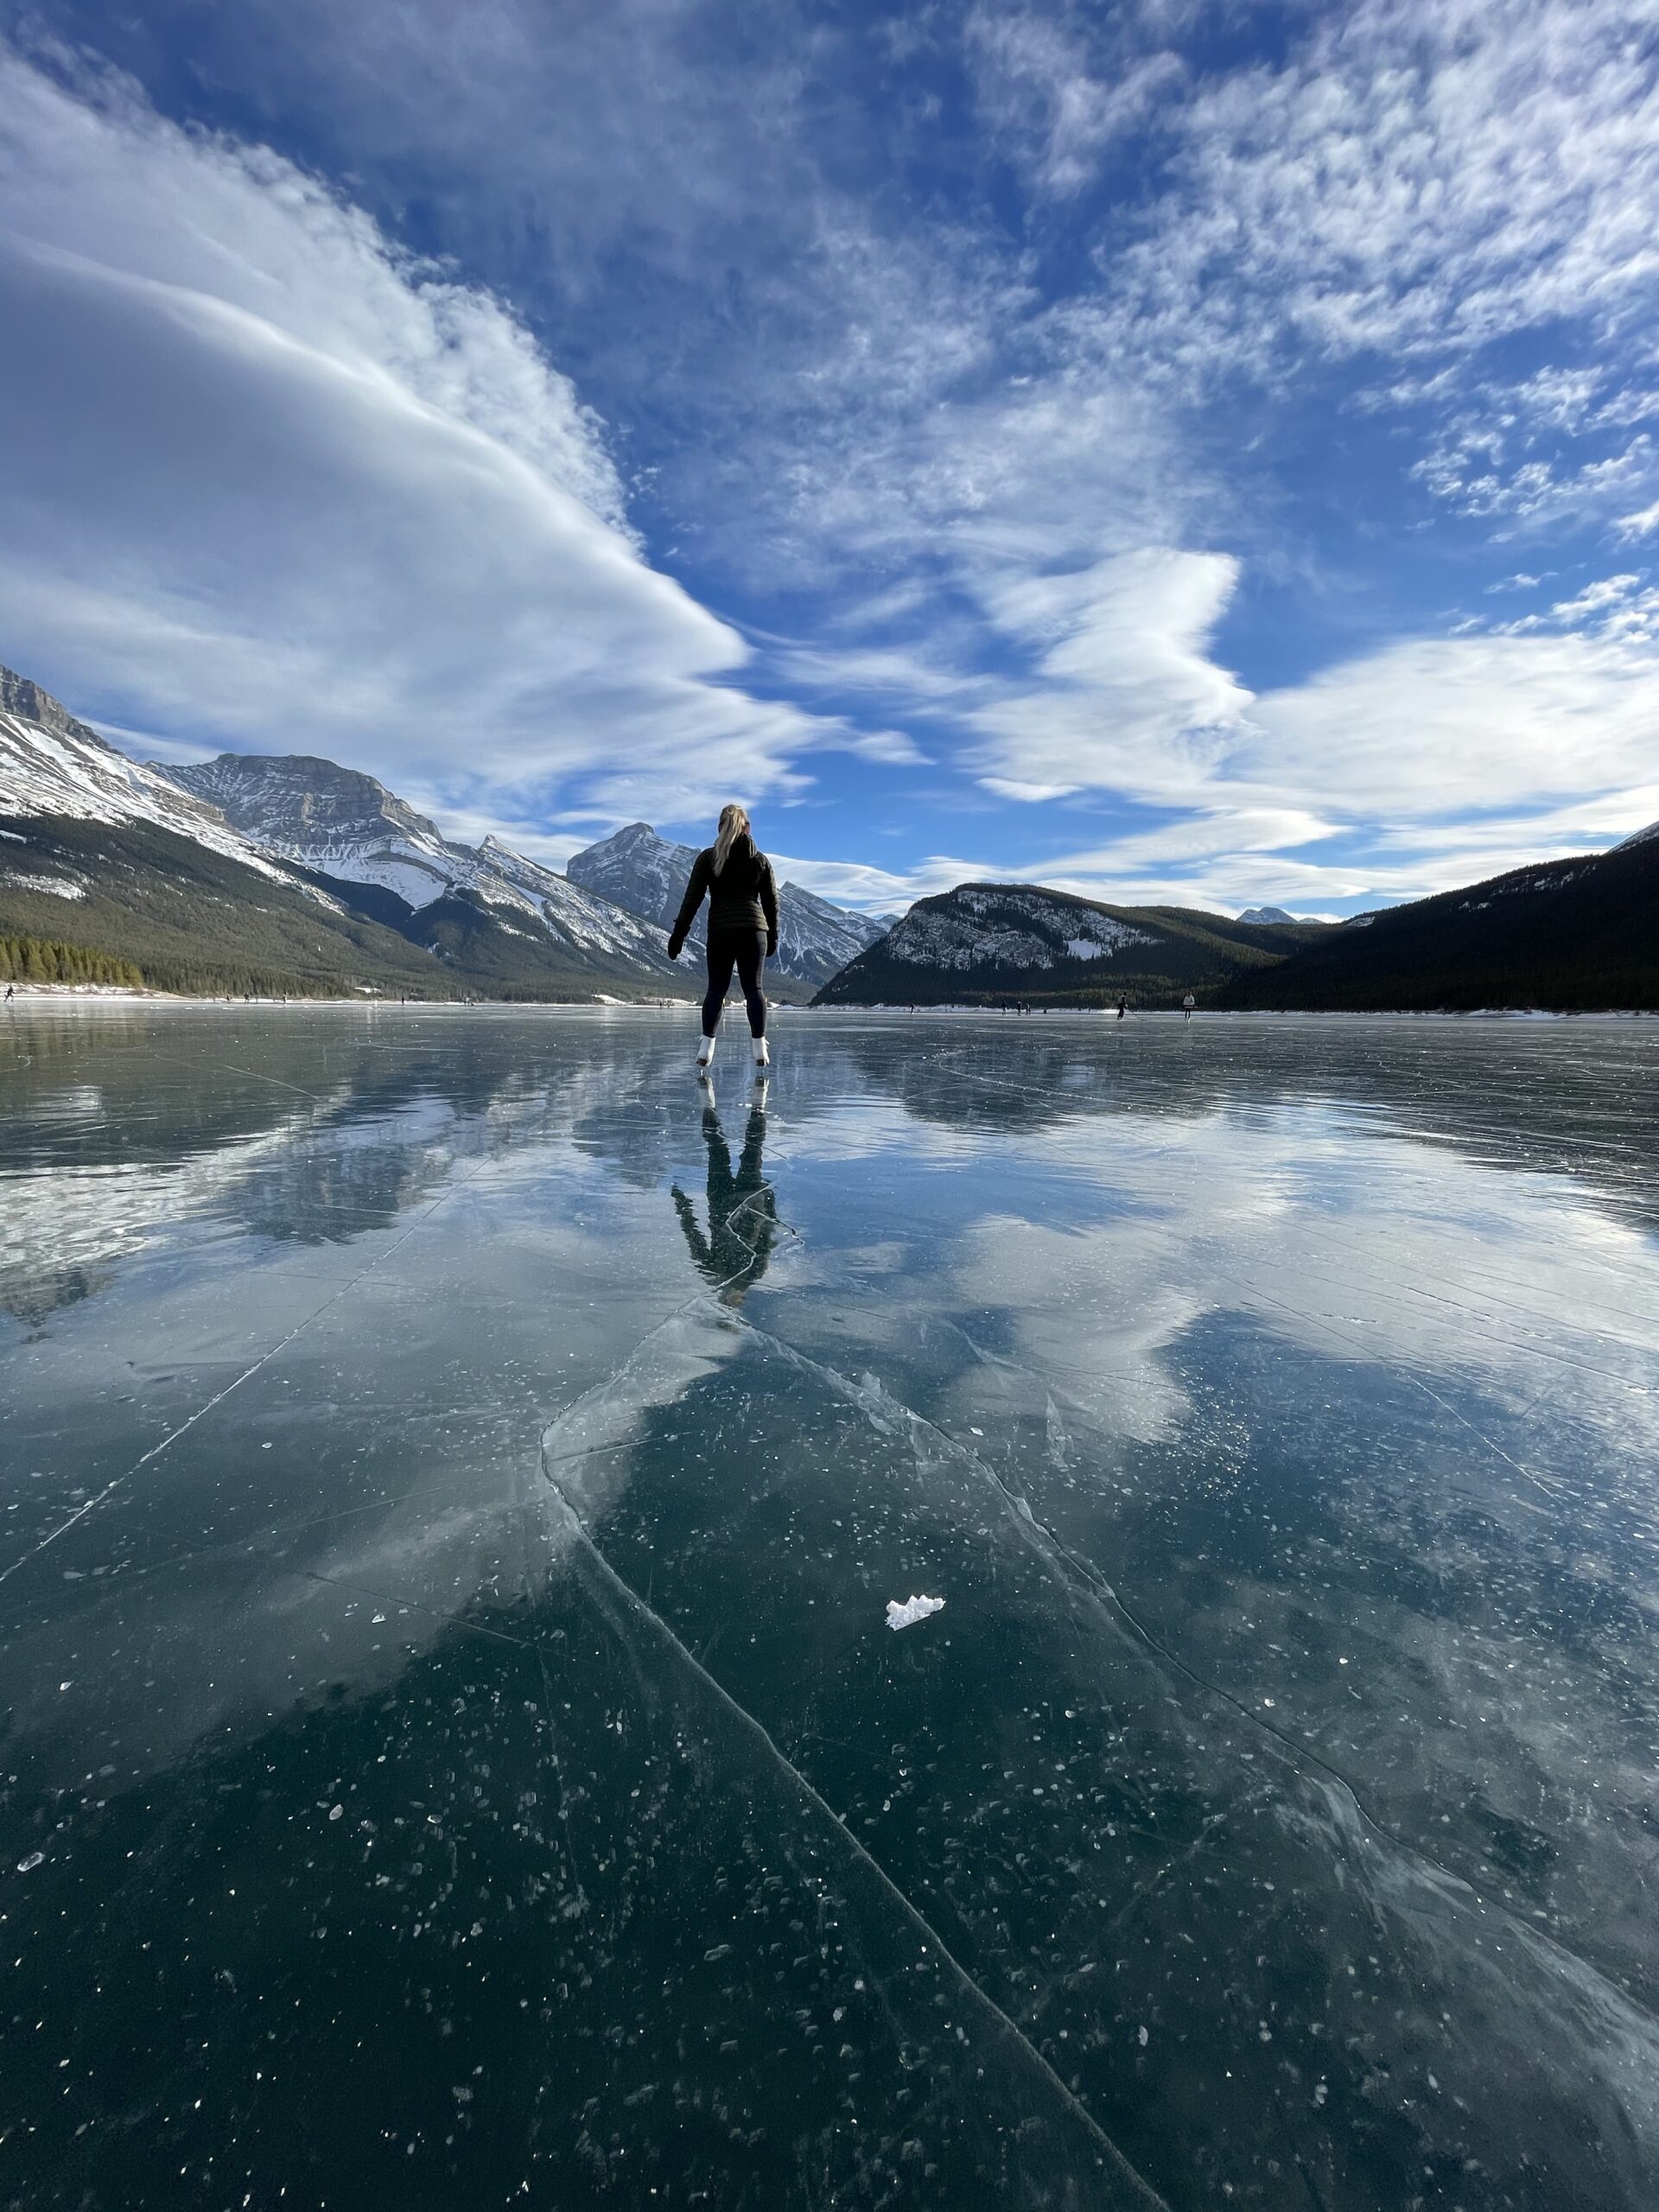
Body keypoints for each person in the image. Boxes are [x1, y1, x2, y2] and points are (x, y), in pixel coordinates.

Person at [667, 803, 779, 1072]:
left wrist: (678, 935)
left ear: (719, 828)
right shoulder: (760, 860)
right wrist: (773, 937)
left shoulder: (708, 859)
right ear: (748, 828)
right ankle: (759, 1046)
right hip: (754, 931)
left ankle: (706, 1047)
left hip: (721, 931)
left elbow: (691, 900)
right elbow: (771, 903)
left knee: (716, 991)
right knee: (755, 990)